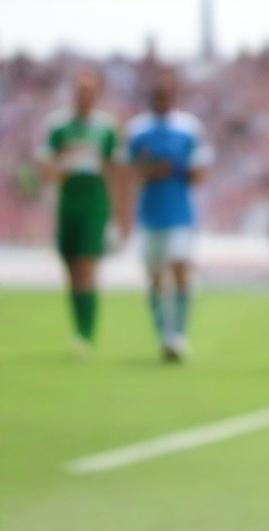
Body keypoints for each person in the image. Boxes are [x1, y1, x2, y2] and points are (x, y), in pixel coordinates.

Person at [123, 68, 213, 362]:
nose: (161, 98)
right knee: (154, 276)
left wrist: (176, 169)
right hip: (149, 214)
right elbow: (128, 172)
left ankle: (178, 334)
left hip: (180, 214)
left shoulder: (188, 128)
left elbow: (200, 171)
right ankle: (163, 333)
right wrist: (149, 171)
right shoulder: (137, 130)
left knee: (179, 269)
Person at [36, 69, 123, 356]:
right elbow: (46, 169)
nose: (84, 96)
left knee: (87, 266)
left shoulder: (106, 128)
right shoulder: (59, 126)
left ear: (96, 95)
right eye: (79, 91)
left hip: (94, 204)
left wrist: (120, 214)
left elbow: (114, 170)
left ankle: (86, 333)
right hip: (67, 204)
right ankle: (78, 329)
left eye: (90, 92)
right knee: (71, 267)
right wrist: (65, 163)